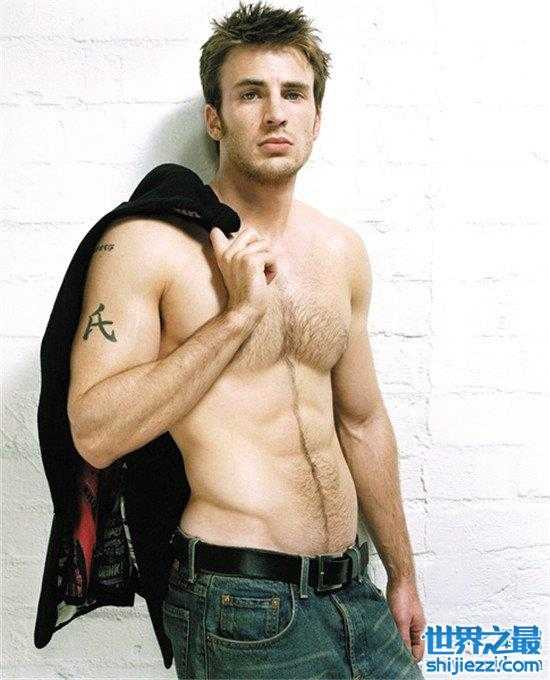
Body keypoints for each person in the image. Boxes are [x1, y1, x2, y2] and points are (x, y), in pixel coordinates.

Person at [66, 2, 426, 678]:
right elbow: (96, 432)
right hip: (240, 604)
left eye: (294, 94)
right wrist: (234, 320)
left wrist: (402, 573)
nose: (276, 113)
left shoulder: (340, 250)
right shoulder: (150, 245)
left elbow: (362, 420)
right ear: (216, 118)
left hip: (356, 592)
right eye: (251, 94)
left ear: (316, 117)